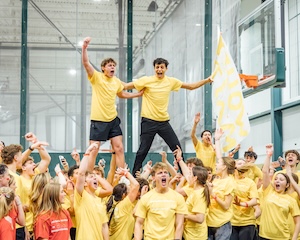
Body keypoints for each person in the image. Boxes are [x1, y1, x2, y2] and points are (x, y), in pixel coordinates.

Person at [122, 58, 212, 176]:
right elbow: (126, 86)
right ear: (154, 69)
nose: (159, 69)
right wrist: (110, 81)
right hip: (148, 121)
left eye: (162, 67)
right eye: (157, 67)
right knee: (143, 150)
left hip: (163, 122)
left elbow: (191, 86)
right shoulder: (146, 80)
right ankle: (135, 174)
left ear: (166, 69)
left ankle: (185, 174)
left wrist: (207, 80)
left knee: (177, 147)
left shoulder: (170, 81)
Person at [81, 37, 143, 170]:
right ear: (103, 68)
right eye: (109, 65)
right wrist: (84, 48)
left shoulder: (116, 81)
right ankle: (89, 175)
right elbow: (86, 63)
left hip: (113, 120)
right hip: (98, 121)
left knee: (119, 148)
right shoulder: (96, 77)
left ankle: (122, 176)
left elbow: (122, 93)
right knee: (93, 150)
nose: (112, 67)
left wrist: (137, 94)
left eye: (114, 65)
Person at [134, 162, 188, 240]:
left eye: (166, 172)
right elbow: (139, 223)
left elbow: (179, 224)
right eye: (160, 173)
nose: (163, 175)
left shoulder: (178, 197)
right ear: (153, 178)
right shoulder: (146, 197)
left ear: (169, 177)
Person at [259, 144, 300, 240]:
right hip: (268, 233)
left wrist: (290, 176)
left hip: (290, 227)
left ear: (298, 160)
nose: (290, 156)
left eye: (293, 155)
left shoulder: (291, 199)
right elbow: (265, 174)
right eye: (288, 155)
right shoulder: (277, 177)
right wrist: (268, 155)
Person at [74, 142, 109, 240]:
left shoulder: (100, 201)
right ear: (84, 183)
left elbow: (104, 226)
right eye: (91, 177)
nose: (95, 178)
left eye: (95, 177)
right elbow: (81, 174)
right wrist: (87, 153)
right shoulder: (81, 195)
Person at [206, 129, 235, 240]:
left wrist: (212, 193)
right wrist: (217, 140)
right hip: (209, 222)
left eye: (218, 164)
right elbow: (219, 156)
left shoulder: (230, 182)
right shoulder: (216, 179)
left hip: (222, 224)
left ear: (224, 167)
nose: (216, 164)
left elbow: (226, 205)